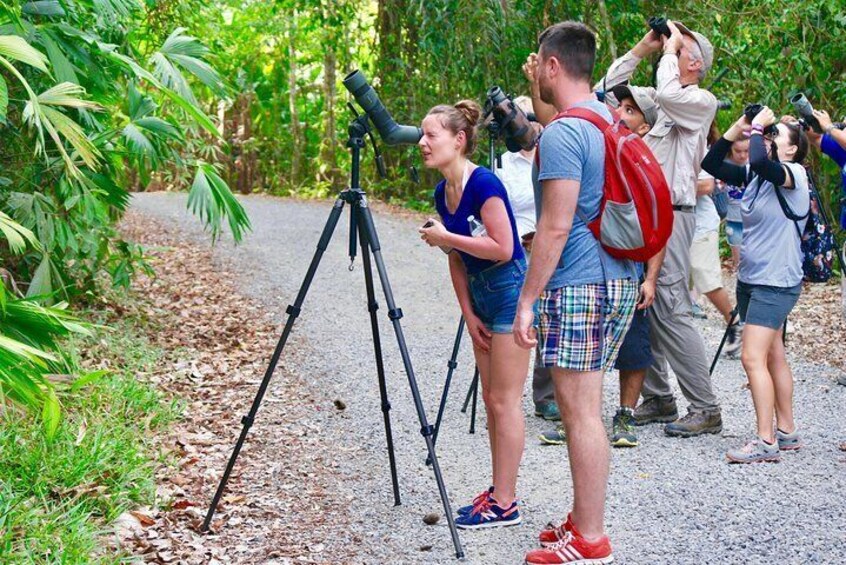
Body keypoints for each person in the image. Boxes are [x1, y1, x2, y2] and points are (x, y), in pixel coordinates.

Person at [513, 22, 638, 564]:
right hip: (618, 275)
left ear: (553, 65)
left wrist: (527, 298)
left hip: (580, 282)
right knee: (585, 407)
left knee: (581, 411)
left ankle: (589, 539)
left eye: (538, 62)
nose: (534, 70)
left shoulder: (565, 132)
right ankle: (582, 520)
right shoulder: (607, 116)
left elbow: (556, 226)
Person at [598, 20, 722, 437]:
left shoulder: (700, 100)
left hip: (675, 212)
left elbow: (669, 93)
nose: (671, 48)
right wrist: (646, 47)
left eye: (680, 46)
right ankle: (659, 396)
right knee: (643, 302)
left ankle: (705, 407)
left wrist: (670, 51)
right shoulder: (661, 101)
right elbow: (608, 88)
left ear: (696, 62)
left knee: (670, 305)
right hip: (641, 215)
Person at [418, 100, 532, 528]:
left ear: (459, 139)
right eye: (423, 135)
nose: (423, 143)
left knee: (505, 401)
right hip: (480, 294)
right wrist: (468, 314)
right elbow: (455, 257)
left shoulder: (483, 184)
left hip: (508, 290)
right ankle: (498, 491)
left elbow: (504, 248)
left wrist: (447, 236)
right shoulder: (441, 192)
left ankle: (506, 502)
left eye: (432, 135)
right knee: (491, 400)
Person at [538, 84, 663, 449]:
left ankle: (621, 414)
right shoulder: (606, 138)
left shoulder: (635, 154)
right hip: (619, 273)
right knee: (586, 396)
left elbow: (653, 227)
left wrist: (651, 278)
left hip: (605, 272)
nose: (621, 113)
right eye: (620, 106)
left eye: (631, 110)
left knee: (589, 406)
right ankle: (576, 423)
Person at [701, 106, 810, 463]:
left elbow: (764, 161)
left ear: (792, 149)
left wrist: (761, 126)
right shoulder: (756, 176)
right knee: (773, 353)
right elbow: (712, 164)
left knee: (751, 357)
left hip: (775, 282)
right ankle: (787, 432)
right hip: (753, 278)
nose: (769, 137)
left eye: (778, 135)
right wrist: (740, 126)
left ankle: (765, 441)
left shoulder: (792, 173)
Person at [494, 95, 559, 422]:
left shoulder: (553, 156)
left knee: (549, 318)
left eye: (533, 117)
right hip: (515, 248)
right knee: (514, 317)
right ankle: (505, 390)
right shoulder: (503, 164)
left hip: (549, 247)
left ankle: (546, 394)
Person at [689, 125, 741, 356]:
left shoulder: (700, 145)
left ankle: (735, 322)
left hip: (701, 223)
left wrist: (669, 186)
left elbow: (706, 185)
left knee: (706, 278)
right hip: (675, 223)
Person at [723, 138, 751, 270]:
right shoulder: (722, 165)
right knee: (738, 260)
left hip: (752, 217)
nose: (742, 155)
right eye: (738, 151)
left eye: (746, 151)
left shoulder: (755, 165)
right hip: (732, 217)